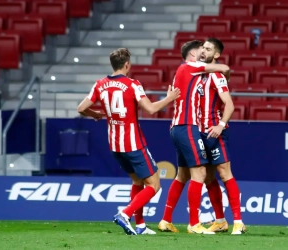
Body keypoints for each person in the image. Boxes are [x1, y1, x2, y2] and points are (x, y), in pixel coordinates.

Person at [77, 48, 181, 235]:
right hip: (133, 144)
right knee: (154, 185)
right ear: (127, 65)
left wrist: (95, 114)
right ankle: (125, 214)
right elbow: (150, 109)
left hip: (115, 145)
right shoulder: (133, 84)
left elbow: (81, 108)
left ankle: (140, 226)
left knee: (137, 181)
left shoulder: (100, 84)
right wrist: (170, 98)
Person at [158, 40, 230, 234]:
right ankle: (194, 223)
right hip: (188, 127)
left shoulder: (181, 74)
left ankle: (165, 220)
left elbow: (170, 95)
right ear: (193, 54)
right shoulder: (190, 67)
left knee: (182, 175)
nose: (203, 52)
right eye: (201, 50)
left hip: (176, 127)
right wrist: (224, 71)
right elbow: (223, 67)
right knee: (200, 173)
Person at [199, 38, 246, 235]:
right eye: (203, 47)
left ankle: (238, 221)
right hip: (199, 131)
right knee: (208, 177)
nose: (203, 51)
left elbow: (230, 104)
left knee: (225, 174)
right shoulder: (198, 73)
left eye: (208, 49)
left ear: (216, 55)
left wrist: (219, 125)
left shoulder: (216, 75)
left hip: (215, 131)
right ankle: (220, 220)